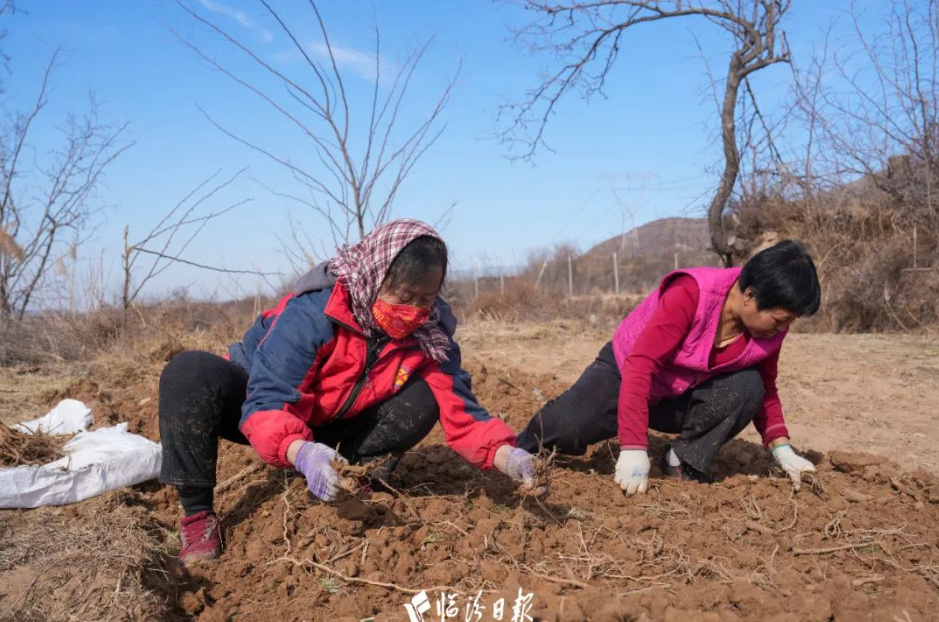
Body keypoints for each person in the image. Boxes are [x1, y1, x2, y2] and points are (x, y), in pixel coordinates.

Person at [159, 219, 543, 564]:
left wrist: (508, 457)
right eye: (403, 297)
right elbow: (268, 399)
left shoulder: (431, 334)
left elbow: (461, 410)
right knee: (188, 372)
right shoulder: (317, 311)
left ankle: (354, 473)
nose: (413, 311)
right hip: (263, 409)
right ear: (375, 278)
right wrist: (302, 452)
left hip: (338, 420)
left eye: (425, 299)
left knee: (427, 394)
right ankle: (197, 516)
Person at [517, 240, 821, 495]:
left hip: (681, 392)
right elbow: (641, 364)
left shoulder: (767, 333)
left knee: (748, 386)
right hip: (626, 374)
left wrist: (782, 450)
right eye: (779, 320)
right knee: (565, 425)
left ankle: (681, 460)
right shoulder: (692, 294)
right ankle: (514, 450)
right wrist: (634, 447)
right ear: (750, 296)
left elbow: (766, 389)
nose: (782, 329)